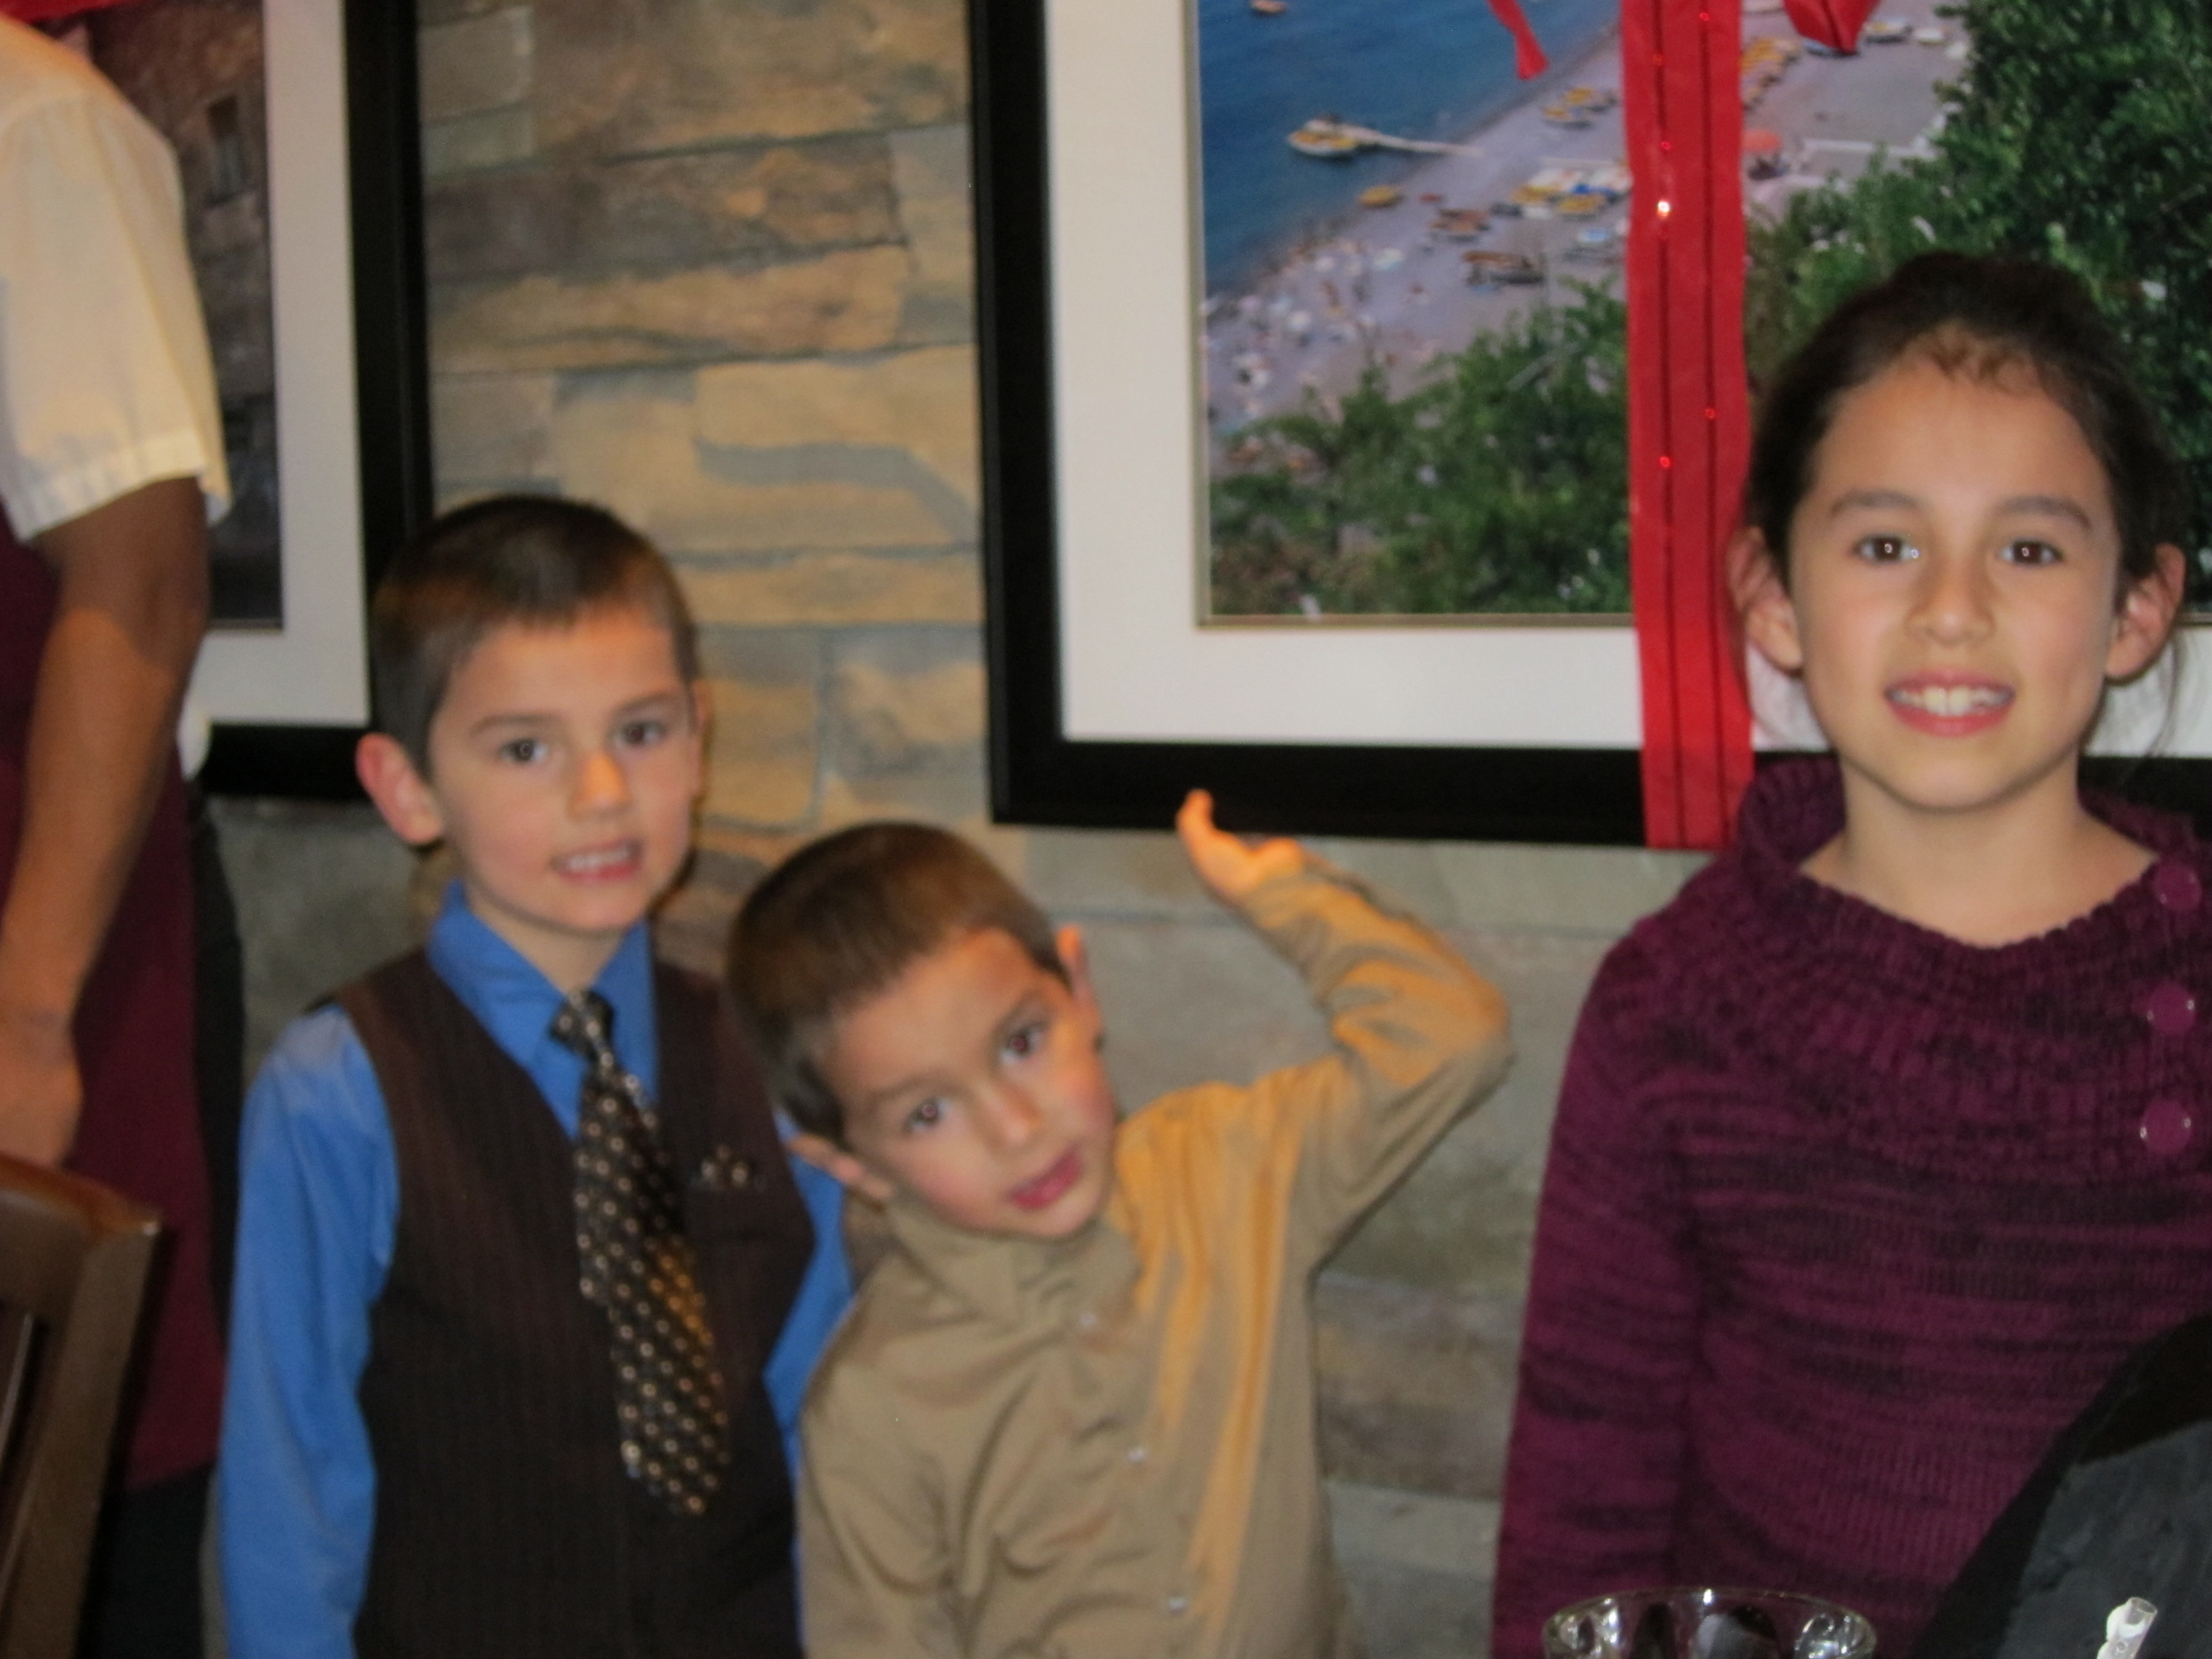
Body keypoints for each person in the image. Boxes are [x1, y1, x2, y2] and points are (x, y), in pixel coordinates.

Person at [1491, 251, 2211, 1658]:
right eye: (1885, 546)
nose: (1953, 607)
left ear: (2135, 607)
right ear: (1773, 594)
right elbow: (1580, 1522)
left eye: (2030, 549)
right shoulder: (1671, 1010)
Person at [219, 496, 852, 1659]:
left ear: (699, 739)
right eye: (525, 749)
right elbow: (290, 1489)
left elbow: (830, 1426)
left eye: (642, 731)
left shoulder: (768, 1058)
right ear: (408, 789)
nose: (601, 792)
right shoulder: (338, 1094)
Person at [728, 791, 1513, 1658]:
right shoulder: (875, 1402)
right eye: (927, 1114)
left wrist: (1279, 892)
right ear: (854, 1165)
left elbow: (1451, 1040)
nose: (1016, 1130)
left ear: (1080, 993)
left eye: (1022, 1043)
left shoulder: (1226, 1170)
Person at [0, 16, 230, 1655]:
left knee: (60, 1505)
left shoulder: (27, 128)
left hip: (47, 958)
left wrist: (26, 1019)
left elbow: (139, 583)